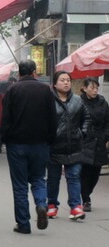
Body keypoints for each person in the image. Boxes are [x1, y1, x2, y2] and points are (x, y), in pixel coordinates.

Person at [1, 59, 57, 234]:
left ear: (19, 73)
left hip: (17, 145)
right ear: (34, 73)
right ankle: (41, 204)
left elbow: (6, 119)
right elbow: (52, 118)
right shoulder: (46, 90)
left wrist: (4, 139)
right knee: (39, 179)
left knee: (20, 185)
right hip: (40, 144)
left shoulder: (12, 90)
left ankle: (23, 224)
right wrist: (50, 140)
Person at [46, 71, 91, 221]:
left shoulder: (78, 100)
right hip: (54, 146)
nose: (66, 83)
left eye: (68, 80)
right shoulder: (48, 101)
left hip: (74, 145)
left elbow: (87, 118)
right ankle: (52, 205)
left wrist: (82, 133)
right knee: (53, 178)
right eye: (62, 80)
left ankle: (75, 206)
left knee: (73, 176)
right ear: (54, 83)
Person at [79, 77, 109, 212]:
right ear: (85, 88)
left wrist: (105, 137)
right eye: (92, 87)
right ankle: (86, 199)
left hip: (99, 140)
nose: (95, 90)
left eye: (96, 88)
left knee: (96, 172)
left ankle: (87, 193)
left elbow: (108, 121)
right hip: (84, 141)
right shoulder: (79, 102)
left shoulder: (103, 102)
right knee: (85, 171)